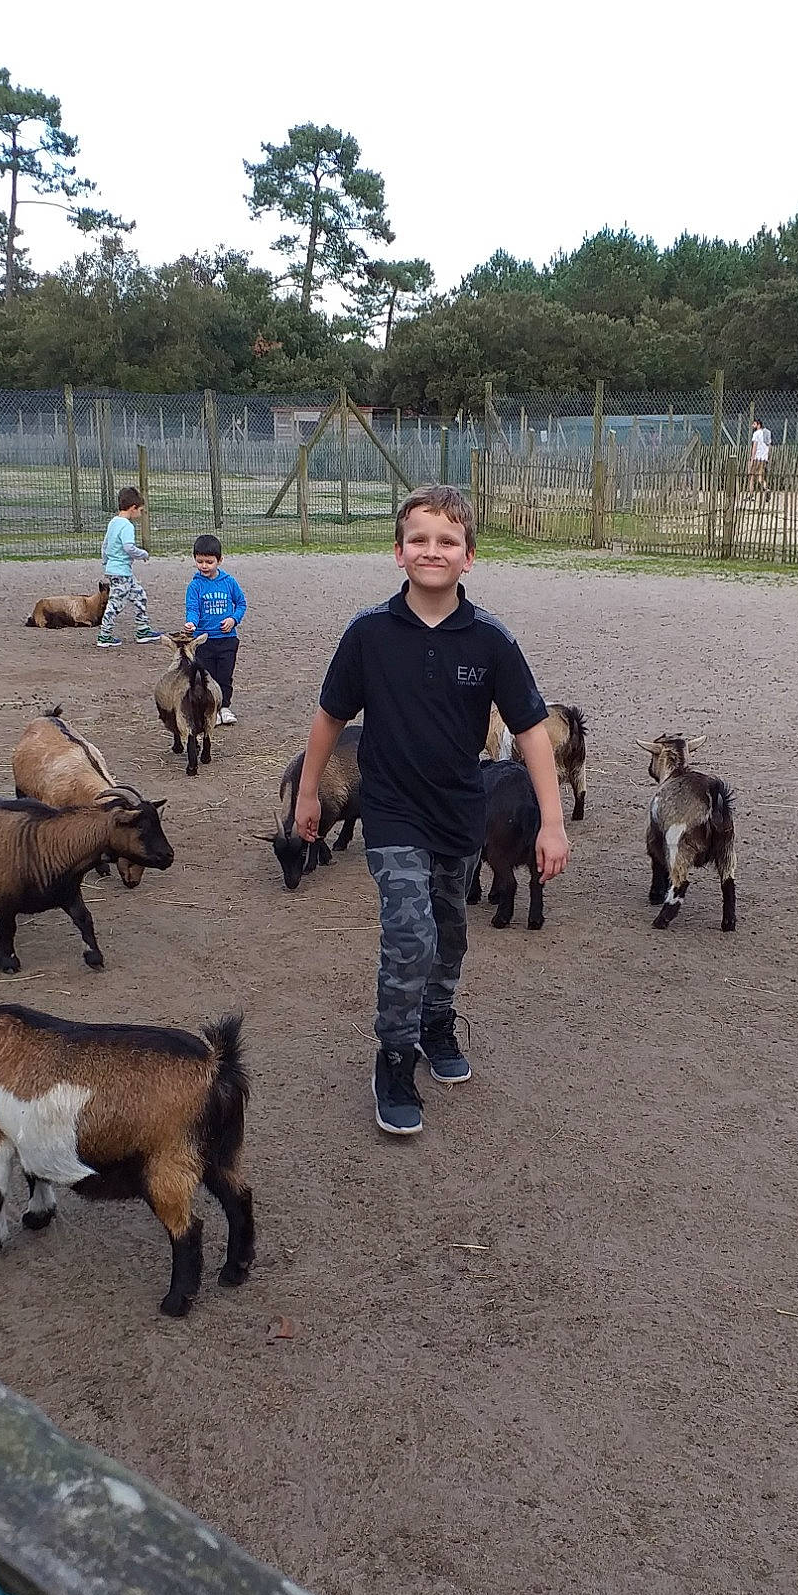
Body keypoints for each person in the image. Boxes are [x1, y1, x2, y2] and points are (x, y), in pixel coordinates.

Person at [294, 484, 569, 1137]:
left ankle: (434, 1024)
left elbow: (531, 730)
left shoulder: (491, 642)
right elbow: (330, 716)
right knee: (410, 934)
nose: (432, 550)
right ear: (398, 551)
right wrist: (308, 792)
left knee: (449, 937)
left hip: (459, 813)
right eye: (419, 539)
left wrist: (553, 820)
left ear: (469, 556)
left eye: (447, 541)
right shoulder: (368, 634)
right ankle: (392, 1059)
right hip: (391, 811)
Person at [182, 533, 245, 723]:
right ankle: (213, 710)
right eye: (200, 561)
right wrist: (191, 623)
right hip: (204, 641)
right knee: (208, 678)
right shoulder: (195, 586)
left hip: (227, 640)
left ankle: (225, 707)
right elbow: (192, 608)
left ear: (219, 560)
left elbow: (241, 603)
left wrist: (234, 619)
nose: (204, 566)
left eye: (209, 562)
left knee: (225, 677)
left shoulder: (229, 582)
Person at [96, 487, 158, 646]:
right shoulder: (127, 526)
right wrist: (142, 554)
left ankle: (143, 629)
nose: (141, 513)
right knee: (116, 603)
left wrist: (106, 563)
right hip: (121, 572)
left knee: (139, 595)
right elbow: (128, 547)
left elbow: (105, 545)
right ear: (133, 508)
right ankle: (104, 634)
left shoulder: (113, 523)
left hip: (118, 571)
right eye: (141, 510)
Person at [749, 418, 771, 494]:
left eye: (754, 424)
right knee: (760, 475)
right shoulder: (767, 433)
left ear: (759, 425)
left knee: (751, 475)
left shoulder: (756, 434)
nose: (752, 426)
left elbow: (754, 447)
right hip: (764, 458)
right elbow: (768, 446)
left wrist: (752, 459)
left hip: (757, 457)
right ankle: (766, 489)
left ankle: (751, 494)